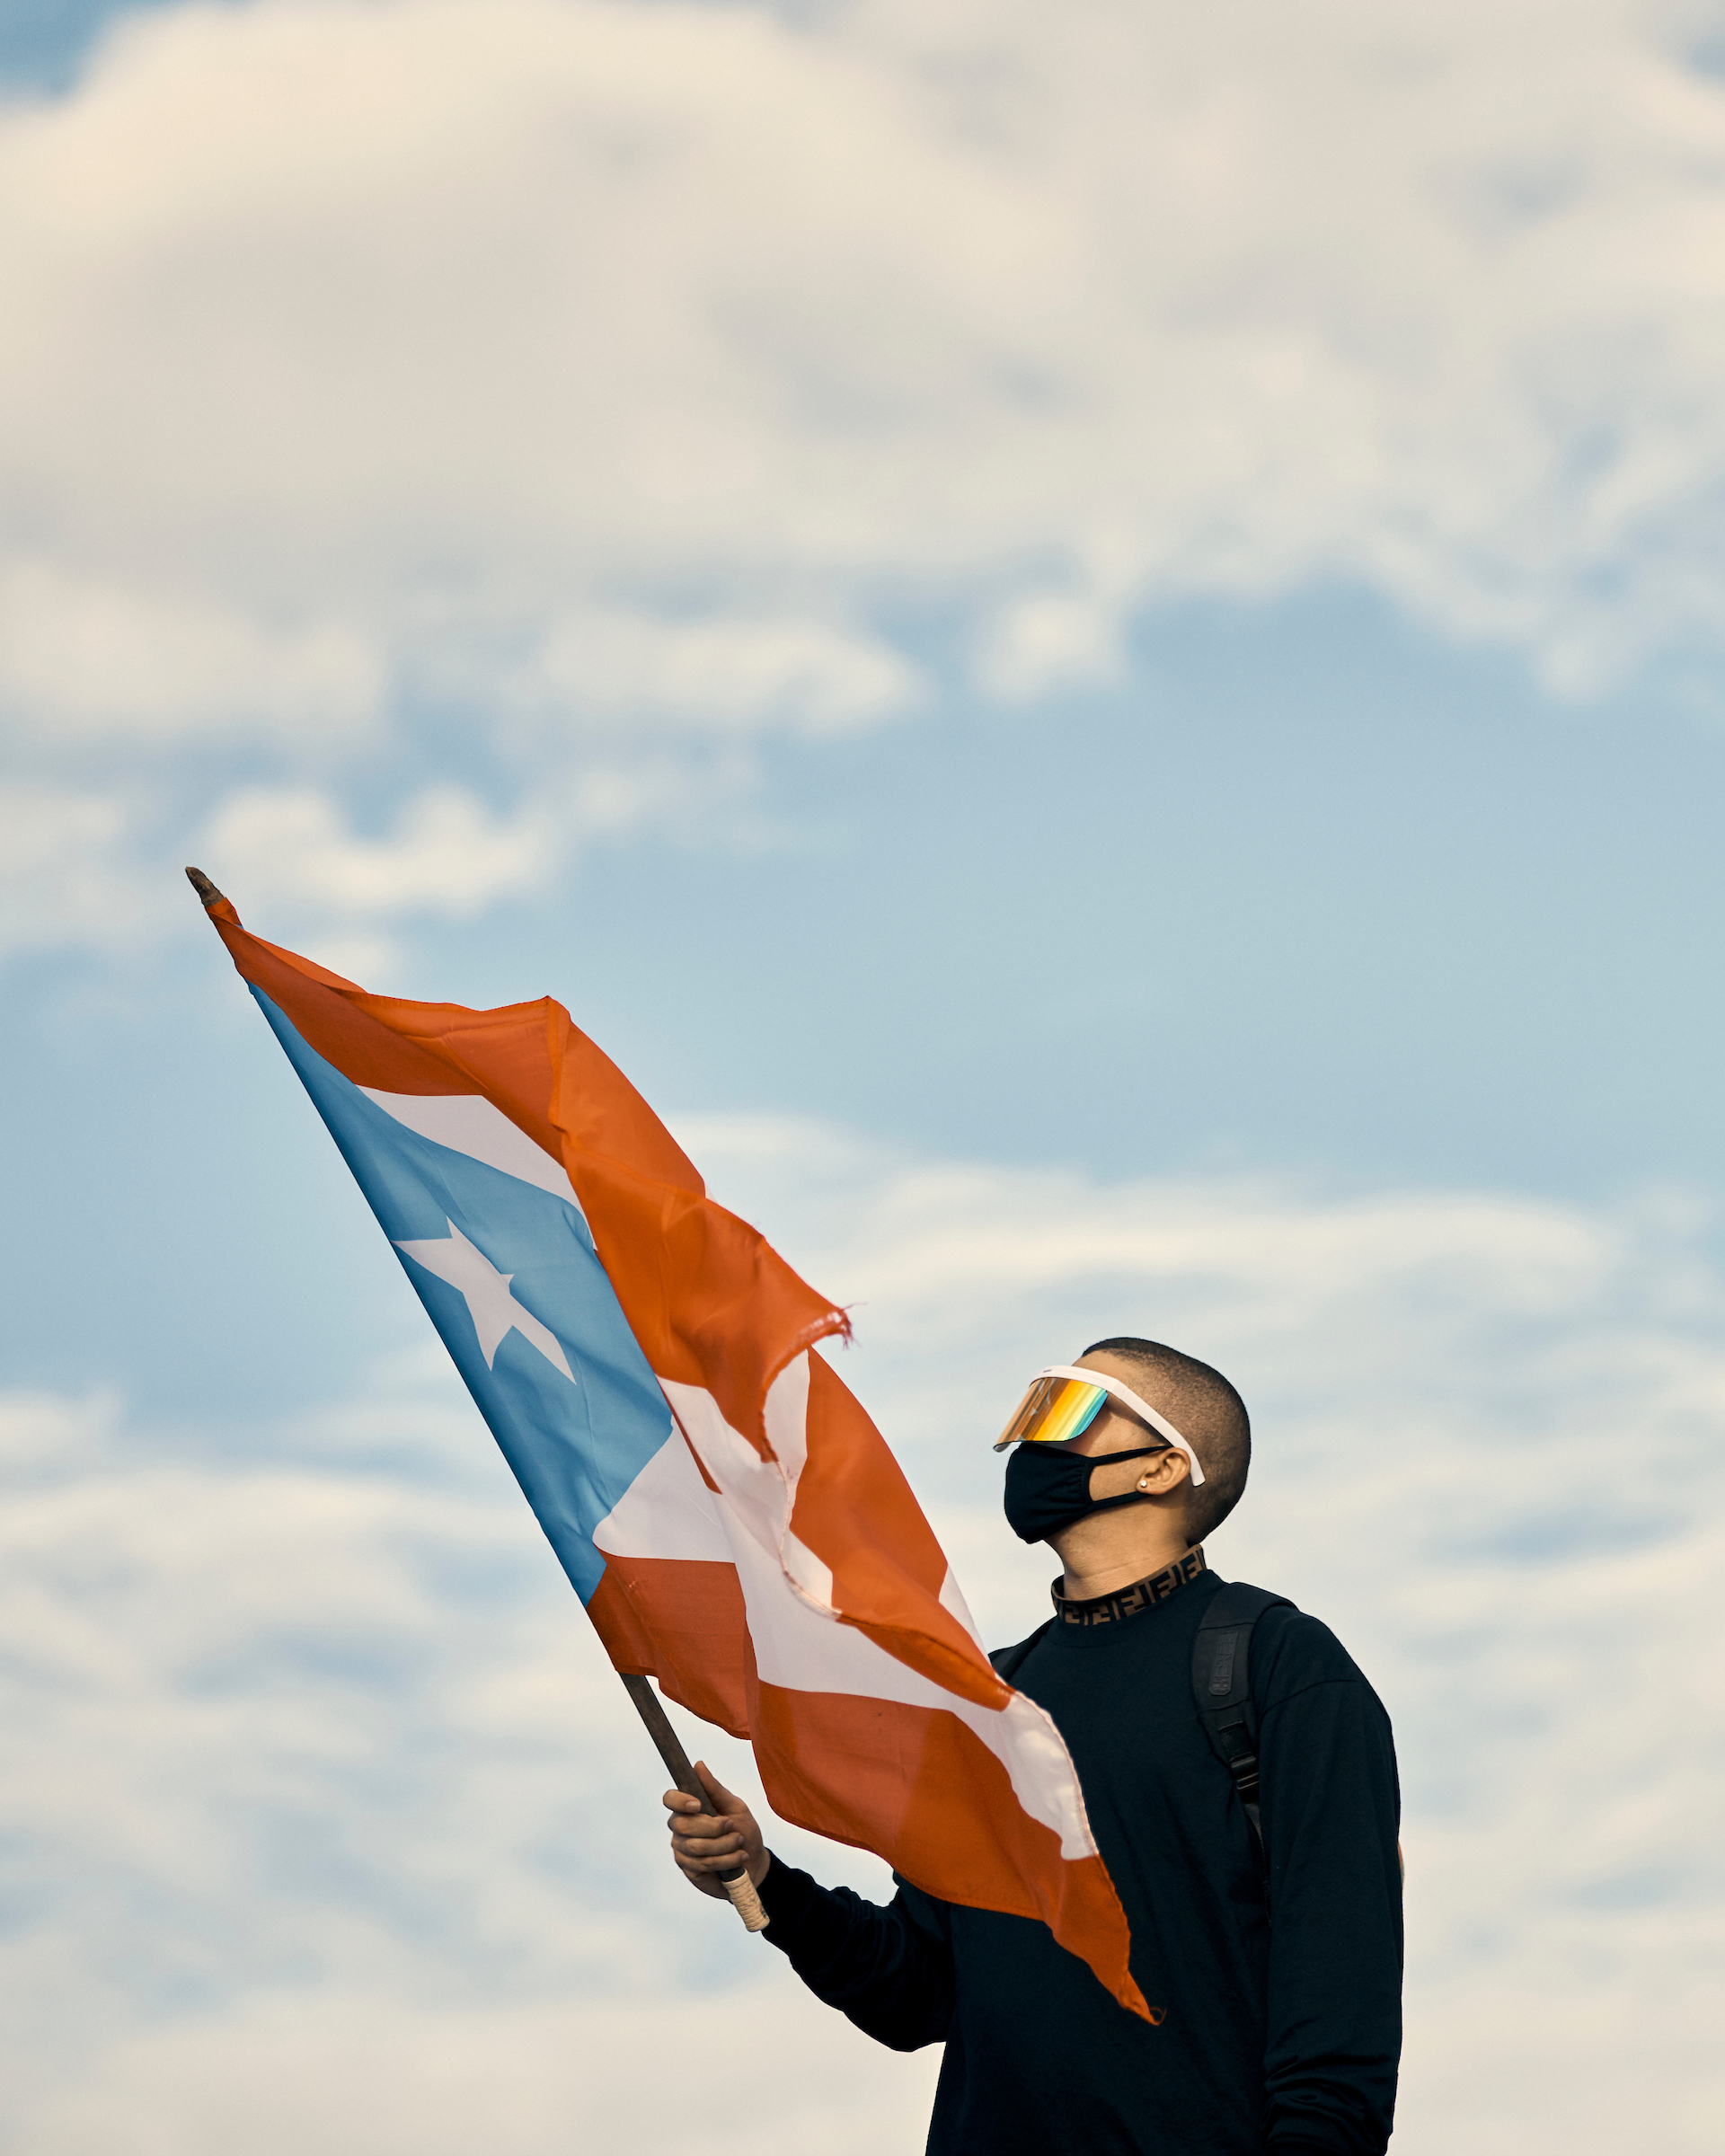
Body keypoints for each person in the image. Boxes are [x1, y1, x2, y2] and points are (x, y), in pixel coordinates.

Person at [663, 1337, 1402, 2156]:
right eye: (1034, 1408)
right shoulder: (988, 1699)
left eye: (1071, 1407)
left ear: (1160, 1468)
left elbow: (1341, 1993)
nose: (1032, 1441)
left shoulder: (1280, 1666)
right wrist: (763, 1882)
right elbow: (918, 1991)